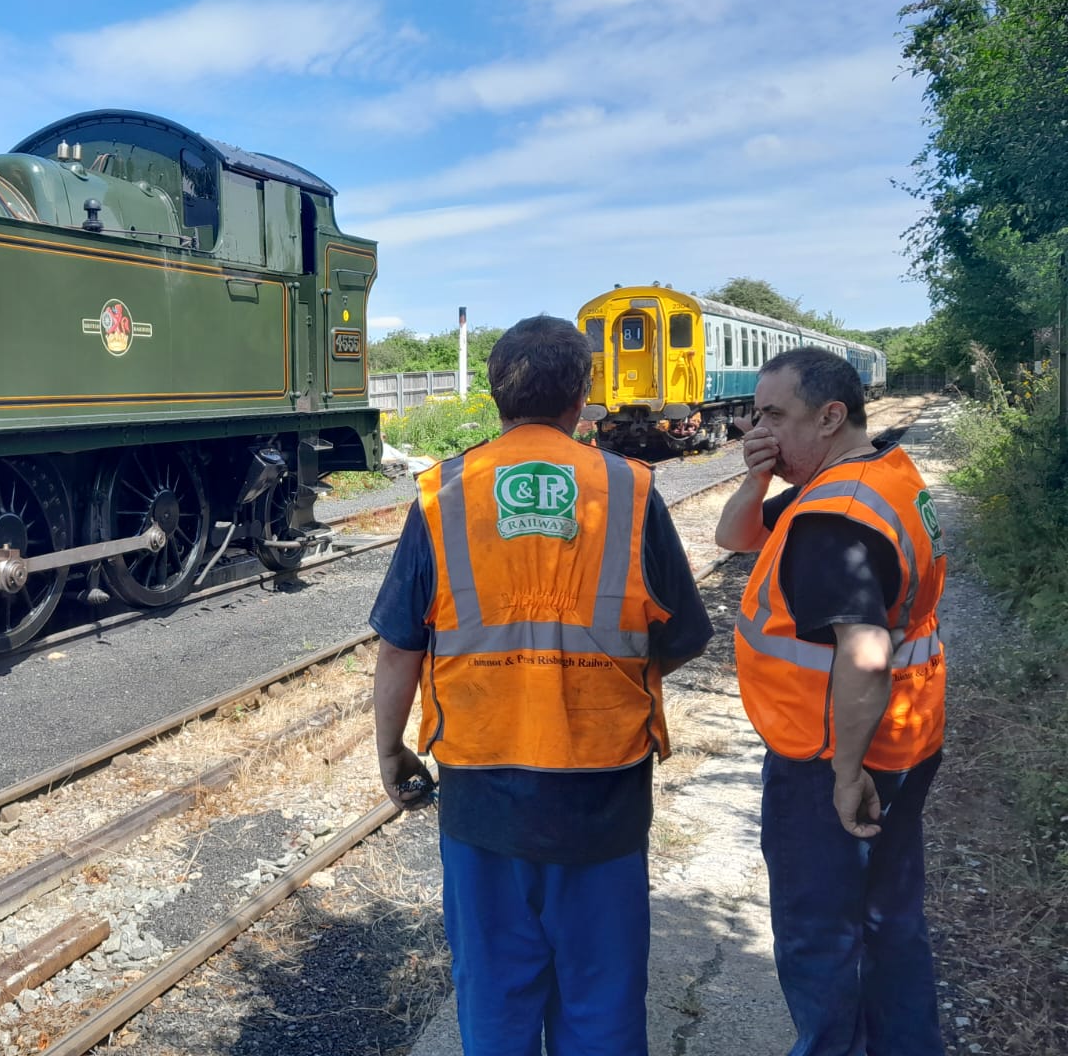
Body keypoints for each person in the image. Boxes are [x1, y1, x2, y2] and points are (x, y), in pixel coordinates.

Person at [371, 315, 711, 1056]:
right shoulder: (628, 489)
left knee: (494, 994)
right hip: (604, 792)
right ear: (583, 395)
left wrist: (390, 748)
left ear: (495, 394)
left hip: (482, 789)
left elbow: (400, 649)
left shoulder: (442, 495)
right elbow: (681, 638)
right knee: (603, 995)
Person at [715, 347, 946, 1056]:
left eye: (775, 416)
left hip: (832, 757)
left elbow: (865, 654)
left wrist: (846, 774)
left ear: (830, 415)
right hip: (907, 739)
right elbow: (732, 538)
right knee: (889, 923)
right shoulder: (880, 475)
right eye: (755, 414)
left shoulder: (834, 518)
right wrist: (757, 478)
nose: (759, 428)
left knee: (822, 940)